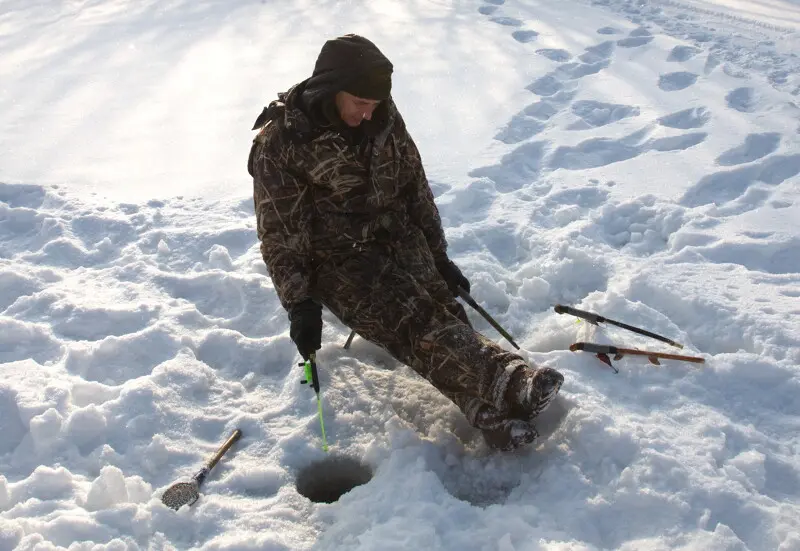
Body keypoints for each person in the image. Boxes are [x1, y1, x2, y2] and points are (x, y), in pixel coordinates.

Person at [248, 34, 564, 451]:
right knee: (413, 324)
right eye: (360, 104)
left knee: (443, 310)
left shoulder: (382, 116)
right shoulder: (281, 144)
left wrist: (439, 257)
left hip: (398, 235)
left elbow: (415, 187)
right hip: (337, 260)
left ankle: (487, 413)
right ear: (330, 88)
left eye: (374, 105)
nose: (368, 114)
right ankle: (510, 380)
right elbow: (280, 236)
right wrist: (300, 304)